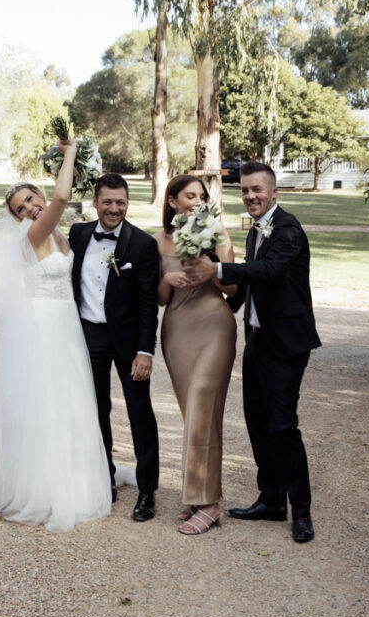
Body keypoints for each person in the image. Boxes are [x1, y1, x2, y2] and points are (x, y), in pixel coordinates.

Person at [0, 139, 111, 533]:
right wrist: (72, 151)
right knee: (47, 404)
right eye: (21, 209)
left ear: (38, 195)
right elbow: (63, 197)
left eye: (32, 200)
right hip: (44, 328)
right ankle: (44, 490)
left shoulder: (60, 235)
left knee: (70, 403)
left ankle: (74, 481)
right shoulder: (32, 234)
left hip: (66, 325)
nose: (30, 209)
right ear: (16, 219)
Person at [184, 162, 321, 543]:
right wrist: (218, 312)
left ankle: (302, 511)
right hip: (257, 339)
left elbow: (270, 271)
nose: (250, 197)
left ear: (274, 192)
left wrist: (218, 269)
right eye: (245, 191)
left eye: (257, 190)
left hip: (286, 344)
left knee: (283, 426)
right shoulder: (255, 231)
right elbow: (249, 287)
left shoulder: (288, 228)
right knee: (258, 422)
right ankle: (272, 499)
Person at [69, 173, 161, 522]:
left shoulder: (142, 245)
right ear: (95, 202)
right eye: (107, 201)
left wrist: (145, 351)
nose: (114, 208)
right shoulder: (78, 234)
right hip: (87, 337)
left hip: (127, 341)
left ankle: (147, 490)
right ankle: (103, 476)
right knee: (96, 411)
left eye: (120, 202)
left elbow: (148, 304)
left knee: (139, 413)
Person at [154, 175, 236, 535]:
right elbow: (158, 298)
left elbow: (232, 289)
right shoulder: (157, 241)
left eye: (203, 196)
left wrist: (211, 261)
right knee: (193, 414)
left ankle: (211, 502)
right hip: (177, 330)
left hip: (215, 326)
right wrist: (166, 281)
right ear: (172, 200)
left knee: (205, 403)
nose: (198, 201)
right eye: (190, 195)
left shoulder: (218, 234)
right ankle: (196, 493)